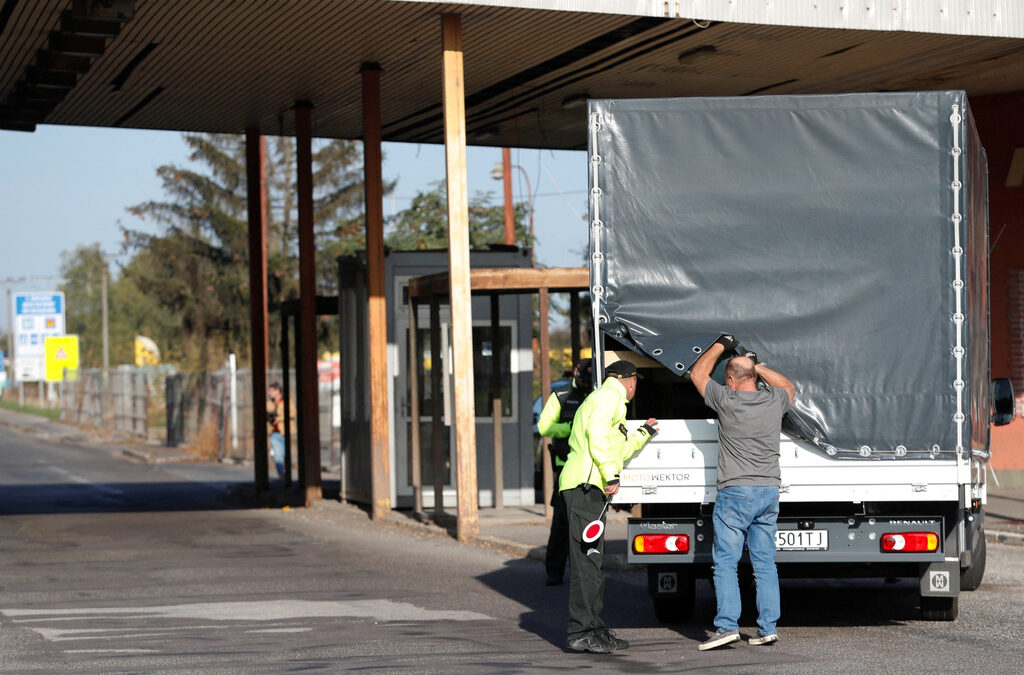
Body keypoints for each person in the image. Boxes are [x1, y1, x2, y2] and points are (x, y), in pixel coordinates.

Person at [688, 335, 795, 651]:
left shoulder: (727, 400)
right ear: (754, 378)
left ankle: (726, 627)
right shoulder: (774, 401)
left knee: (725, 562)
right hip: (768, 491)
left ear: (731, 381)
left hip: (736, 492)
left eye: (728, 379)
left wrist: (720, 345)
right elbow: (789, 386)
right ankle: (768, 628)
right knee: (764, 563)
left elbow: (697, 374)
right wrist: (758, 365)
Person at [560, 359, 658, 654]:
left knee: (592, 561)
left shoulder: (610, 400)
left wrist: (643, 433)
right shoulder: (609, 396)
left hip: (589, 489)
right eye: (636, 383)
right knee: (586, 563)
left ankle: (593, 627)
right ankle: (580, 631)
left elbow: (616, 448)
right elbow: (597, 435)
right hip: (584, 487)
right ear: (631, 381)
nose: (635, 387)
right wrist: (610, 474)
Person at [537, 358, 593, 586]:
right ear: (577, 374)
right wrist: (569, 429)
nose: (587, 384)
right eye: (584, 380)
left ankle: (583, 573)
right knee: (561, 522)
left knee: (586, 525)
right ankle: (554, 571)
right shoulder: (560, 395)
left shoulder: (595, 393)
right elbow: (544, 426)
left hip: (589, 467)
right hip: (565, 467)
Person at [267, 382, 287, 479]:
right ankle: (281, 475)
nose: (269, 393)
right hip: (274, 433)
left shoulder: (285, 402)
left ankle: (287, 474)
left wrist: (279, 418)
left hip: (284, 431)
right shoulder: (269, 403)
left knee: (284, 453)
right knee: (278, 455)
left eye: (271, 391)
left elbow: (292, 413)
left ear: (277, 391)